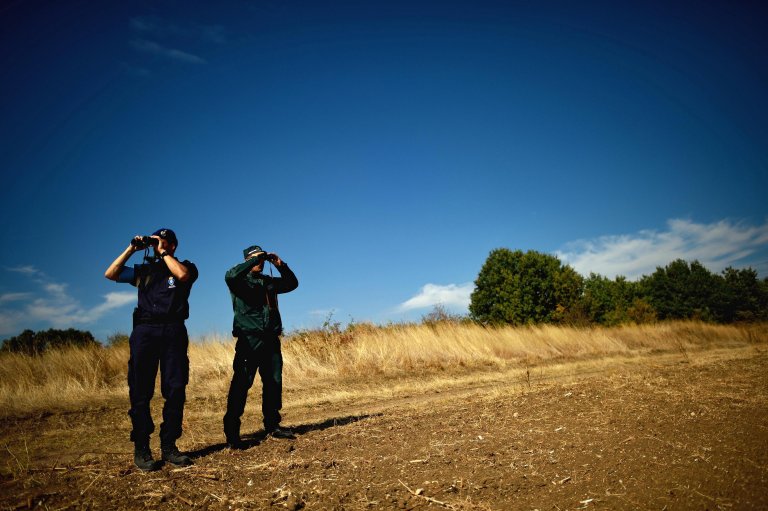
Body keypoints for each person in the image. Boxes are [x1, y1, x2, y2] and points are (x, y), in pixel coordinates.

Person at [104, 228, 198, 471]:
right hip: (145, 332)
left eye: (163, 242)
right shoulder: (144, 271)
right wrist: (131, 249)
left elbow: (183, 276)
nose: (158, 245)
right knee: (140, 391)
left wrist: (164, 253)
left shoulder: (185, 266)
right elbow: (110, 274)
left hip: (173, 331)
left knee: (175, 388)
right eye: (156, 241)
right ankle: (142, 447)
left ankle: (169, 445)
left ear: (173, 245)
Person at [223, 244, 299, 448]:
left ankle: (273, 426)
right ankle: (232, 433)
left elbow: (292, 284)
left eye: (262, 259)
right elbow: (229, 276)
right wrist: (251, 261)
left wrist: (280, 264)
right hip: (249, 340)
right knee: (241, 383)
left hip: (271, 340)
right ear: (247, 260)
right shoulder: (239, 282)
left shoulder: (268, 282)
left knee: (274, 382)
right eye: (256, 259)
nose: (260, 262)